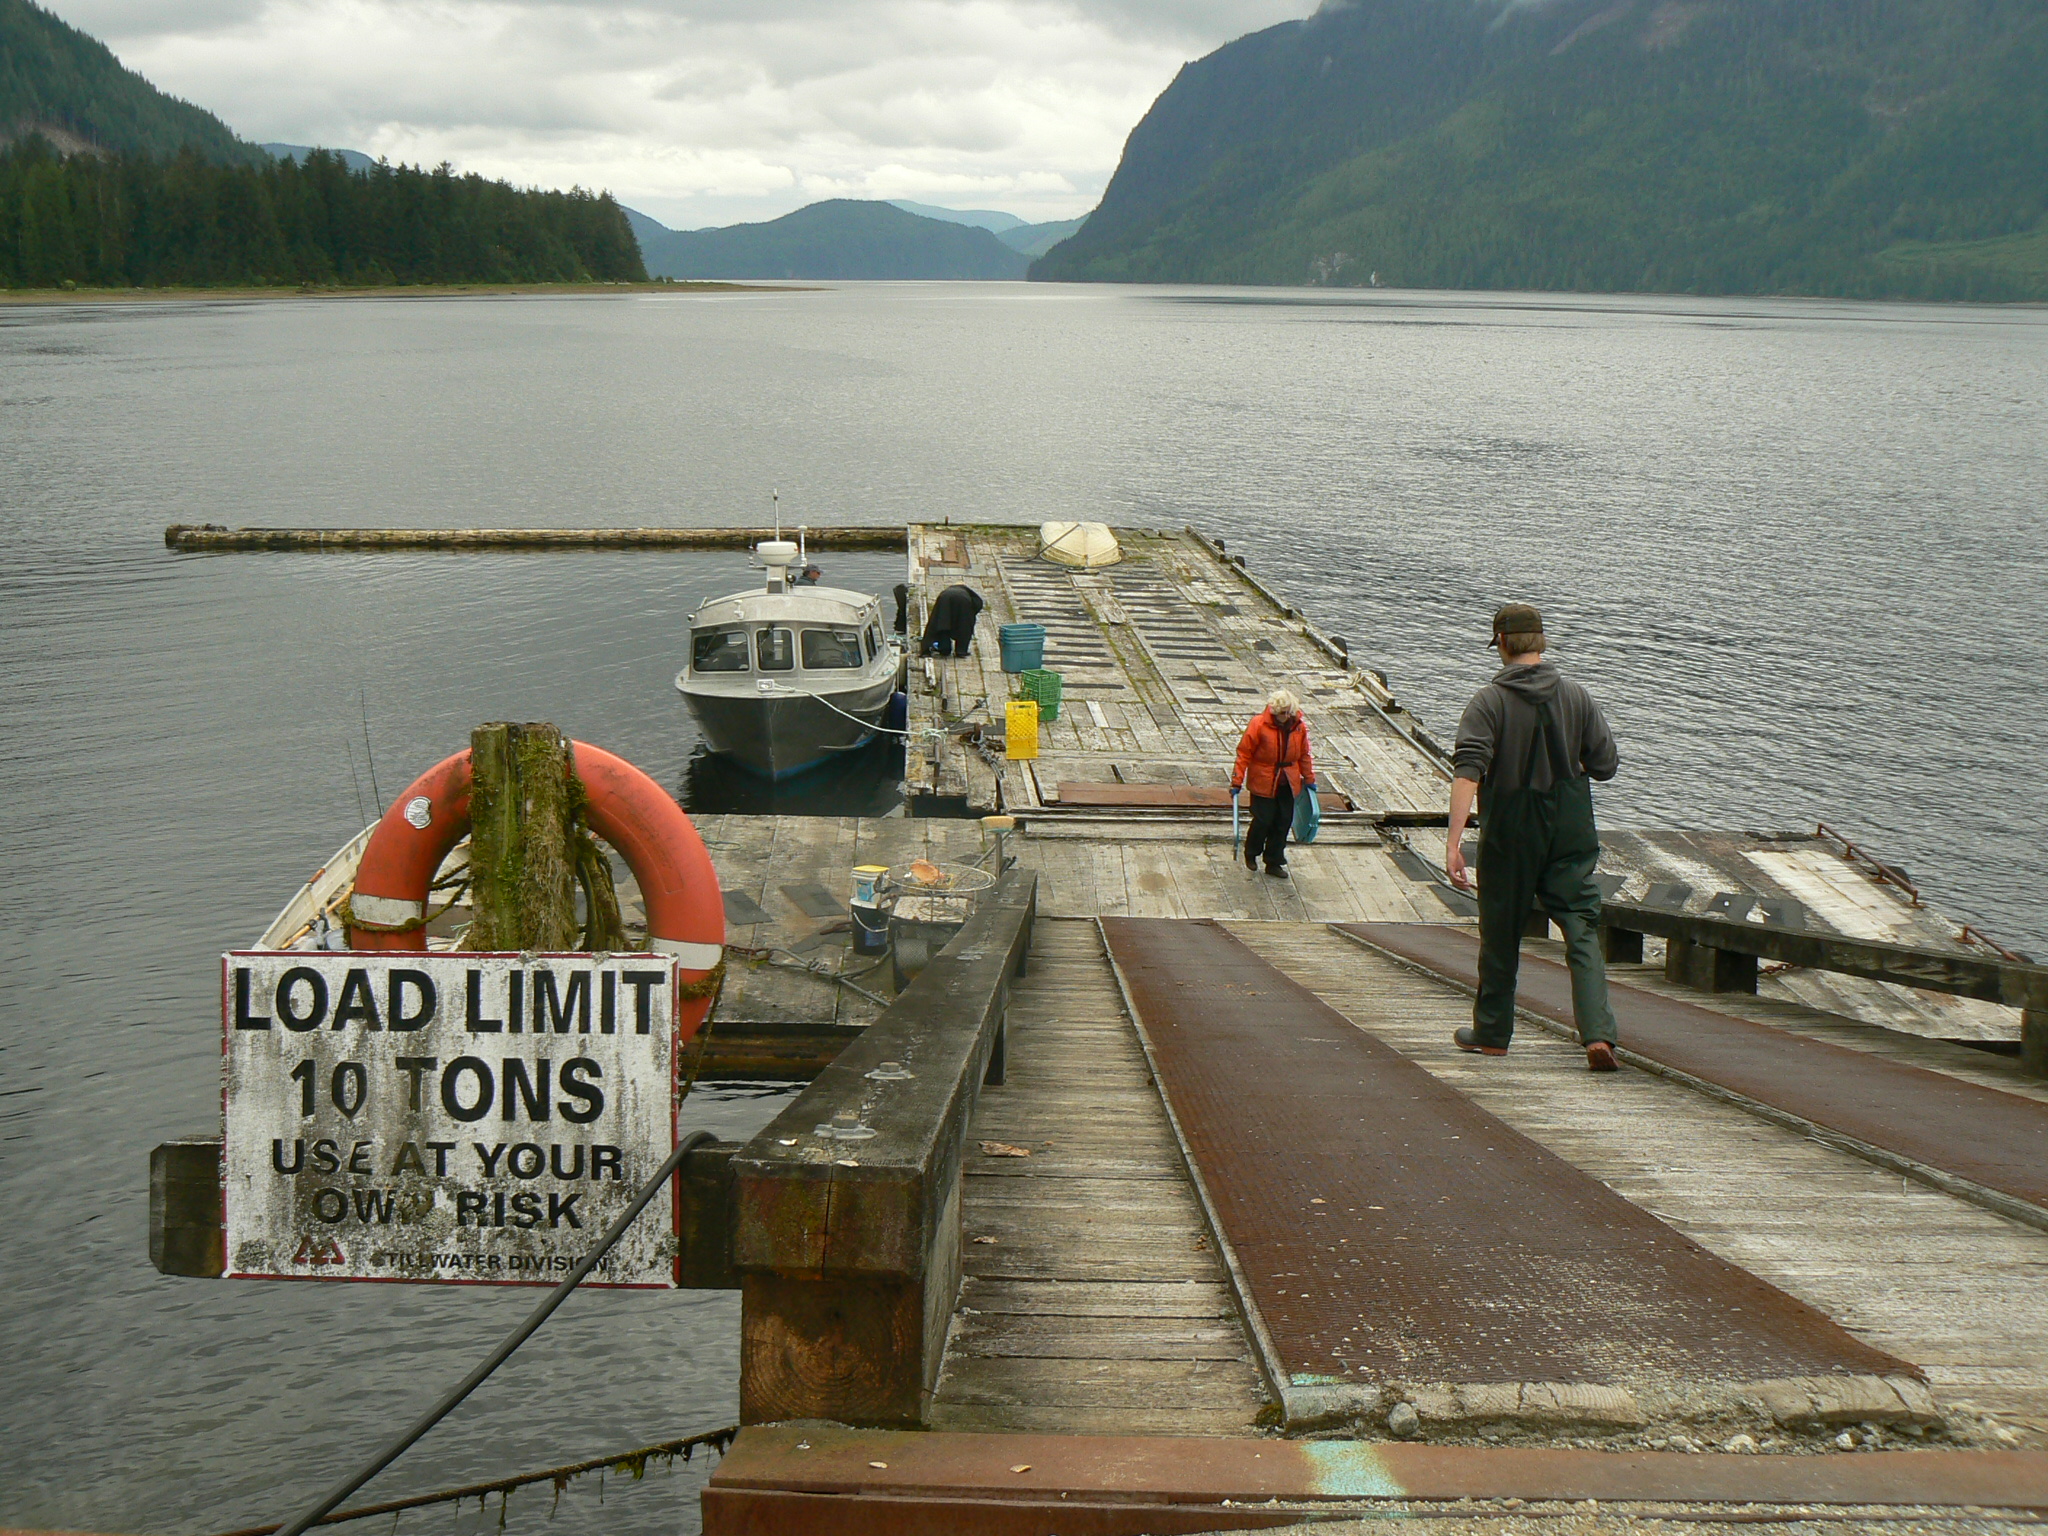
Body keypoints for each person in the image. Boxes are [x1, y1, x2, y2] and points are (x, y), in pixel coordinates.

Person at [1446, 603, 1621, 1072]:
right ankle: (1598, 1034)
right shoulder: (1577, 696)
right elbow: (1606, 764)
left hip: (1511, 829)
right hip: (1569, 826)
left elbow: (1468, 772)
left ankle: (1492, 1034)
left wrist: (1454, 843)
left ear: (1502, 643)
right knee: (1581, 925)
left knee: (1501, 930)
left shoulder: (1488, 702)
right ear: (1541, 642)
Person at [1231, 689, 1316, 879]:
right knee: (1263, 820)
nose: (1286, 716)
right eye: (1283, 712)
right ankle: (1251, 852)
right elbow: (1244, 753)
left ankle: (1274, 861)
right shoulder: (1258, 724)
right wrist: (1237, 781)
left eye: (1290, 712)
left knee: (1283, 822)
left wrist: (1309, 778)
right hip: (1263, 780)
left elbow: (1304, 754)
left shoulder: (1299, 727)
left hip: (1288, 781)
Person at [921, 583, 984, 657]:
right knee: (964, 626)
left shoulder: (947, 591)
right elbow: (978, 603)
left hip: (944, 600)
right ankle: (961, 651)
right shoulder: (970, 594)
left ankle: (944, 649)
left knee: (943, 625)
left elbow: (933, 624)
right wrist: (971, 614)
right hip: (963, 601)